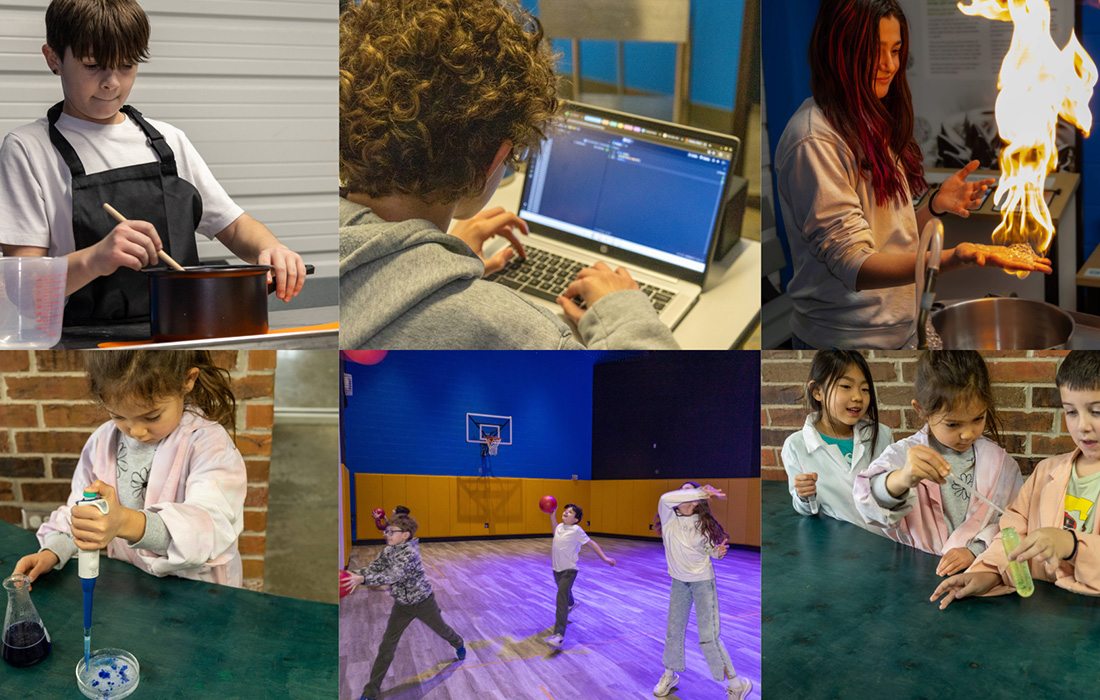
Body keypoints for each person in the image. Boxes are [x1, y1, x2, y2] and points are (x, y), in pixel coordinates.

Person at [338, 0, 678, 349]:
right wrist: (622, 310)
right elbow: (655, 396)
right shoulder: (521, 335)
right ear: (495, 160)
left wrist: (438, 259)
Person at [0, 0, 306, 327]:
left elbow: (234, 226)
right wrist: (96, 259)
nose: (112, 82)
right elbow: (24, 290)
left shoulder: (167, 142)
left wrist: (272, 249)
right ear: (53, 58)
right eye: (93, 65)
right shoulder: (28, 149)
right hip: (84, 338)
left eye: (126, 66)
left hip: (183, 331)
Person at [773, 0, 1051, 349]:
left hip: (897, 332)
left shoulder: (870, 123)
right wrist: (957, 256)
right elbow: (855, 265)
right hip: (847, 343)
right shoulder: (813, 141)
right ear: (840, 51)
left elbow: (885, 242)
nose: (889, 65)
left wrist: (933, 207)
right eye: (875, 51)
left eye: (896, 49)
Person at [12, 350, 246, 586]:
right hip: (134, 584)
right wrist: (52, 551)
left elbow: (210, 527)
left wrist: (124, 522)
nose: (136, 431)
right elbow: (82, 512)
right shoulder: (103, 442)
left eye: (152, 416)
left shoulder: (208, 444)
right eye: (118, 416)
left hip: (200, 590)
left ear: (188, 380)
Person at [931, 351, 1100, 608]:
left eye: (1097, 411)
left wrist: (1072, 544)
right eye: (1071, 412)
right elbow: (1013, 529)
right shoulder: (1046, 472)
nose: (1082, 426)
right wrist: (989, 571)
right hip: (1040, 615)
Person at [853, 351, 1023, 576]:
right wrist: (903, 478)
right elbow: (866, 500)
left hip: (978, 574)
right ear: (921, 411)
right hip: (915, 574)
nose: (967, 434)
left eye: (978, 419)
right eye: (953, 424)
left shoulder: (1001, 465)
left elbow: (1014, 521)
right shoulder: (904, 454)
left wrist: (975, 549)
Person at [343, 514, 465, 700]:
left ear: (405, 535)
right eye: (387, 531)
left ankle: (458, 643)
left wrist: (363, 579)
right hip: (402, 605)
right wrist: (352, 574)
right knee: (387, 646)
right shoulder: (388, 551)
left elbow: (393, 575)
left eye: (392, 532)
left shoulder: (410, 554)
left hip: (423, 603)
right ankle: (371, 691)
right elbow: (373, 569)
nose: (387, 534)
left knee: (443, 631)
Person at [653, 486, 752, 699]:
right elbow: (665, 497)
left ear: (698, 502)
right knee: (673, 631)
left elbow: (708, 552)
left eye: (693, 494)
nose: (688, 496)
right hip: (679, 583)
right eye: (685, 492)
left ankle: (737, 685)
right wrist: (700, 490)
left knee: (709, 637)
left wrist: (717, 552)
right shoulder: (669, 516)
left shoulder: (703, 525)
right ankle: (669, 674)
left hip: (703, 583)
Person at [782, 350, 893, 529]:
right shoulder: (796, 446)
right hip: (839, 545)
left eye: (864, 389)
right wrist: (804, 495)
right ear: (817, 391)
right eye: (846, 386)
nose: (858, 397)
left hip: (885, 539)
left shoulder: (882, 435)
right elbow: (806, 509)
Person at [543, 503, 615, 648]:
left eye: (570, 512)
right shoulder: (559, 527)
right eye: (565, 511)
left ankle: (559, 635)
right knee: (565, 593)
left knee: (560, 599)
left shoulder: (576, 530)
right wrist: (552, 515)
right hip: (556, 569)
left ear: (576, 519)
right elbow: (554, 532)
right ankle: (572, 603)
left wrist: (604, 558)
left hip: (569, 570)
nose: (566, 513)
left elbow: (591, 543)